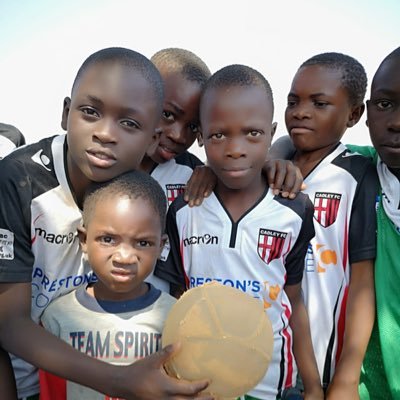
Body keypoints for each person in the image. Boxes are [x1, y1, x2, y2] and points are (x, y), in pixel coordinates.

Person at [0, 47, 213, 400]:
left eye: (129, 123)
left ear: (152, 140)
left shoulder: (171, 180)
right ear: (66, 112)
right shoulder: (18, 180)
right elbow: (7, 321)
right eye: (90, 112)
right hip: (32, 386)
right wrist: (118, 380)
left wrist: (276, 165)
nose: (106, 133)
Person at [155, 64, 323, 400]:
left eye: (252, 133)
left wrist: (314, 386)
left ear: (272, 133)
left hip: (273, 384)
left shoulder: (294, 209)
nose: (235, 148)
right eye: (219, 135)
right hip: (198, 382)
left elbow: (294, 299)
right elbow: (176, 299)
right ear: (200, 136)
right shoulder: (184, 210)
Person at [269, 52, 378, 398]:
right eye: (293, 101)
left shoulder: (358, 175)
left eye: (319, 103)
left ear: (354, 114)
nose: (301, 111)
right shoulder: (267, 169)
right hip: (263, 359)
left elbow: (362, 284)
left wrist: (346, 378)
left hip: (317, 366)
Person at [39, 170, 176, 399]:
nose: (124, 257)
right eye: (108, 239)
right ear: (84, 240)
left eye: (143, 242)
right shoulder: (57, 317)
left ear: (161, 246)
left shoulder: (174, 316)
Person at [347, 47, 400, 400]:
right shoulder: (359, 170)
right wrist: (276, 158)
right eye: (384, 104)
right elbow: (294, 144)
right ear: (366, 115)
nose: (396, 121)